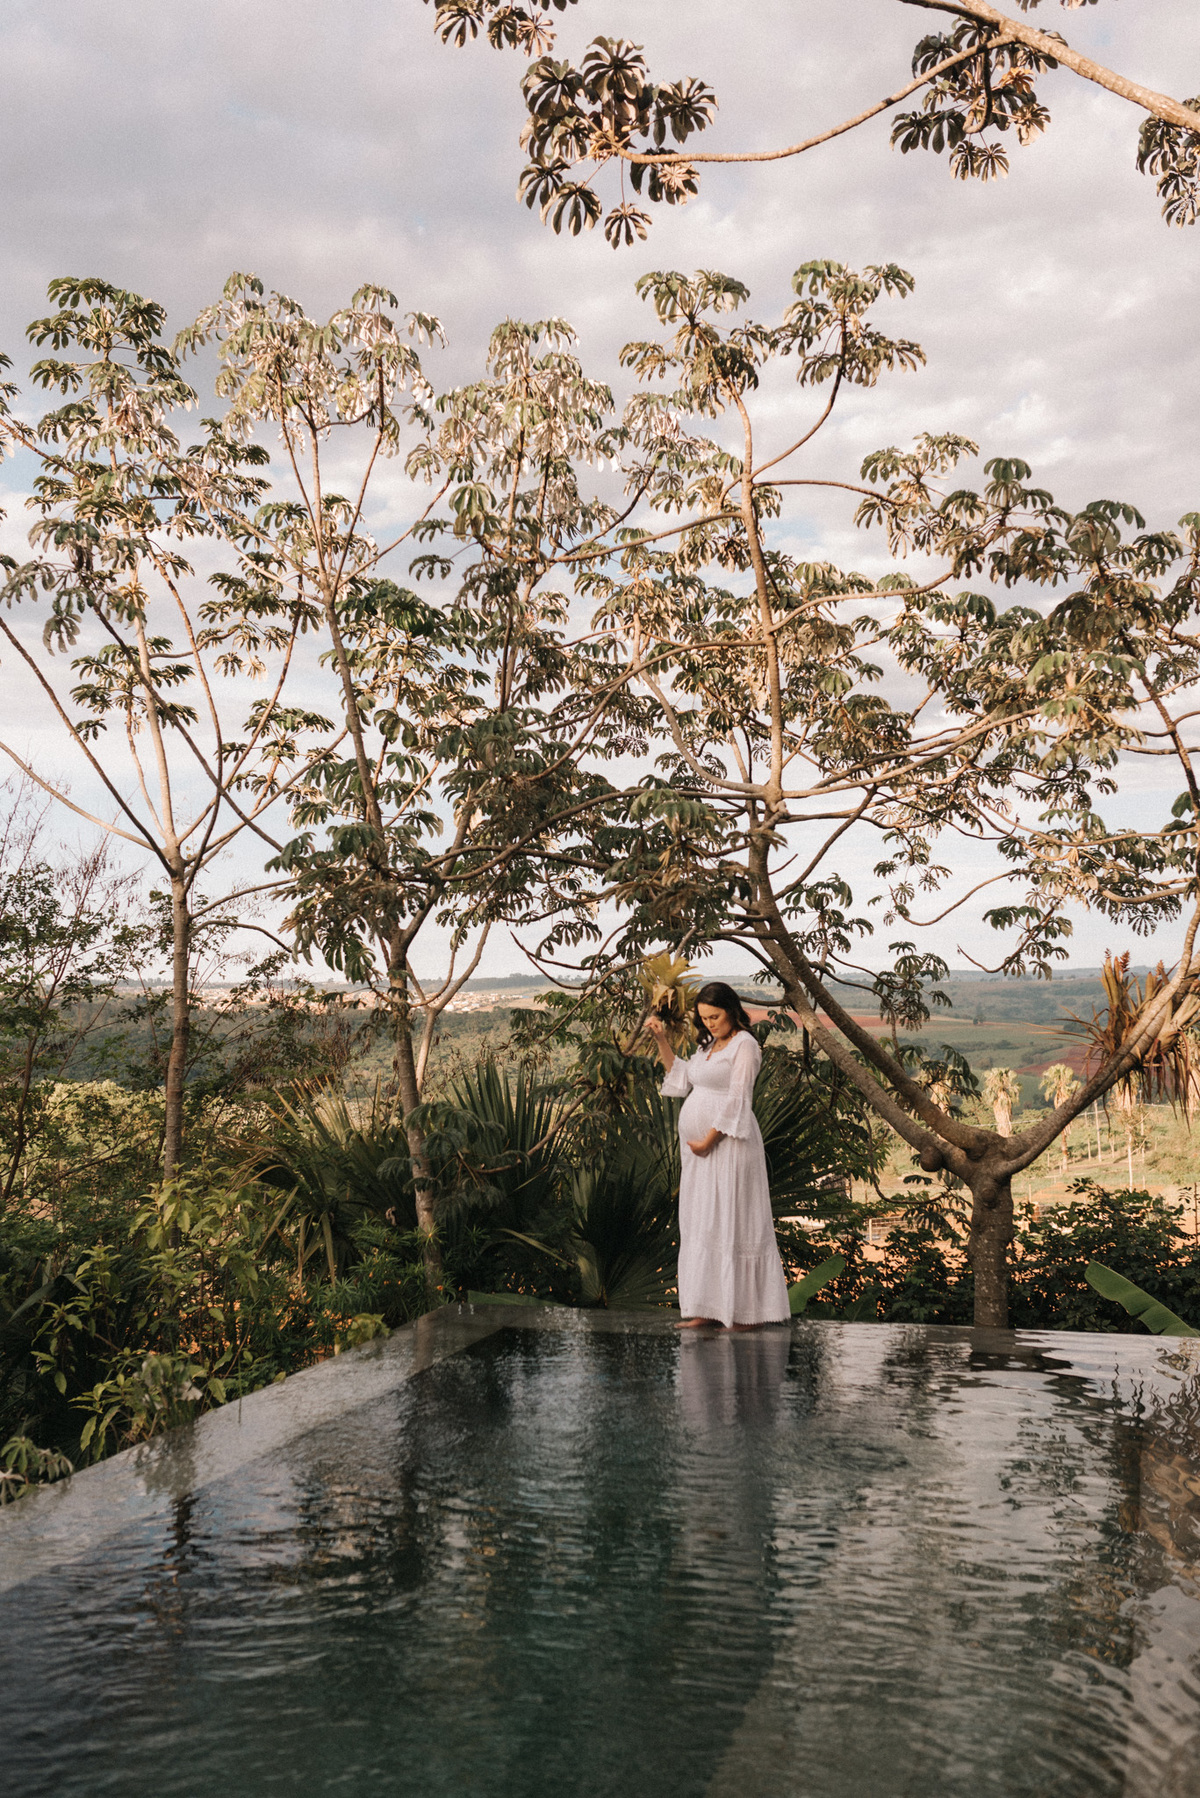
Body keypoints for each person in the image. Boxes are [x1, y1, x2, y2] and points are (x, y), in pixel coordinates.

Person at [646, 981, 790, 1331]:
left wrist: (709, 1140)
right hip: (700, 1154)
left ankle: (745, 1314)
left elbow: (739, 1098)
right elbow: (682, 1078)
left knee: (732, 1221)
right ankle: (708, 1308)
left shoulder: (745, 1045)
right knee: (703, 1223)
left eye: (715, 1017)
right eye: (704, 1018)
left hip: (729, 1146)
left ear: (732, 1011)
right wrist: (661, 1040)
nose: (709, 1024)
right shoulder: (708, 1045)